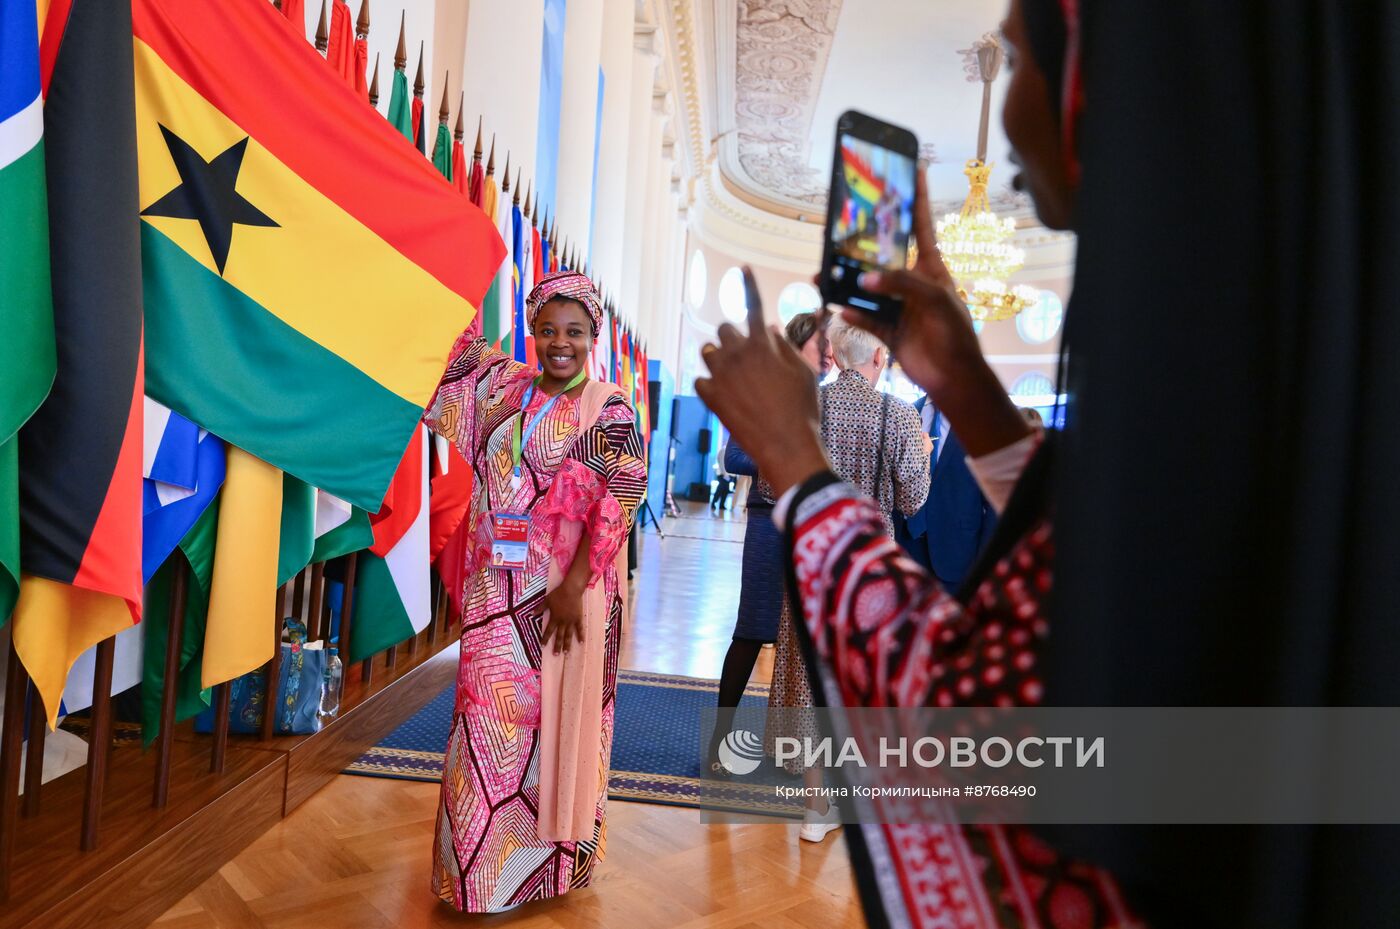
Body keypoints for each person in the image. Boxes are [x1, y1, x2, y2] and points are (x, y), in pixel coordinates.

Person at [697, 0, 1400, 926]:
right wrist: (968, 392)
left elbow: (1006, 755)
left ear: (1099, 93)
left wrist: (797, 461)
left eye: (1021, 58)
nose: (1016, 99)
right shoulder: (1258, 358)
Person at [422, 270, 648, 913]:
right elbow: (448, 353)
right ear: (531, 329)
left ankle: (545, 873)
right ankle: (475, 878)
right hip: (496, 593)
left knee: (551, 731)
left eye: (574, 331)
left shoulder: (609, 410)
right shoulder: (504, 389)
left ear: (593, 337)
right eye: (547, 329)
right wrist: (440, 257)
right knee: (485, 728)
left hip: (561, 600)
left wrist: (575, 585)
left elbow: (620, 498)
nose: (559, 343)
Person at [707, 314, 829, 825]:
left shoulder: (831, 399)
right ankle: (718, 744)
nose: (827, 356)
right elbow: (733, 455)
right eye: (820, 346)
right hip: (769, 528)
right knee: (752, 631)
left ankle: (790, 748)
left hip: (813, 528)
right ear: (798, 346)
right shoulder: (764, 389)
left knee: (801, 643)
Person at [893, 395, 997, 593]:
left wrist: (985, 564)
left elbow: (994, 501)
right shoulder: (906, 413)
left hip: (958, 555)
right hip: (907, 548)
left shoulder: (982, 421)